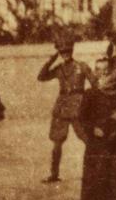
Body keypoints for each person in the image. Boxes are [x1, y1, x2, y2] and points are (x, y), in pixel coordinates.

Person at [36, 33, 91, 184]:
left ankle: (94, 169)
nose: (65, 54)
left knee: (86, 138)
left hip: (78, 105)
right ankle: (54, 174)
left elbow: (95, 84)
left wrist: (88, 103)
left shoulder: (82, 66)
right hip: (62, 106)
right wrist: (51, 60)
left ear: (72, 51)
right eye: (62, 52)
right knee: (57, 141)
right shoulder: (59, 69)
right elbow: (41, 77)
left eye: (68, 51)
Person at [79, 57, 116, 200]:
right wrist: (92, 129)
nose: (103, 73)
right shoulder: (91, 93)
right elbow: (82, 117)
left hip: (115, 137)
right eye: (99, 70)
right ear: (95, 72)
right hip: (97, 139)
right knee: (98, 171)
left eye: (106, 70)